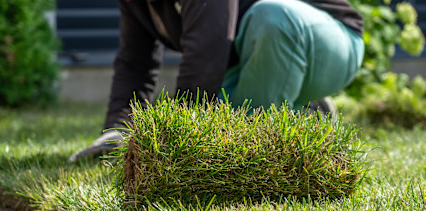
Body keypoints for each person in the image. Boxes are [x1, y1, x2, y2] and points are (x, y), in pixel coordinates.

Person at [68, 0, 364, 162]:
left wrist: (177, 143)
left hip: (327, 39)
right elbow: (135, 62)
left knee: (273, 17)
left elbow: (206, 52)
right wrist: (117, 131)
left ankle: (256, 156)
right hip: (253, 63)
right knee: (211, 119)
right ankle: (307, 114)